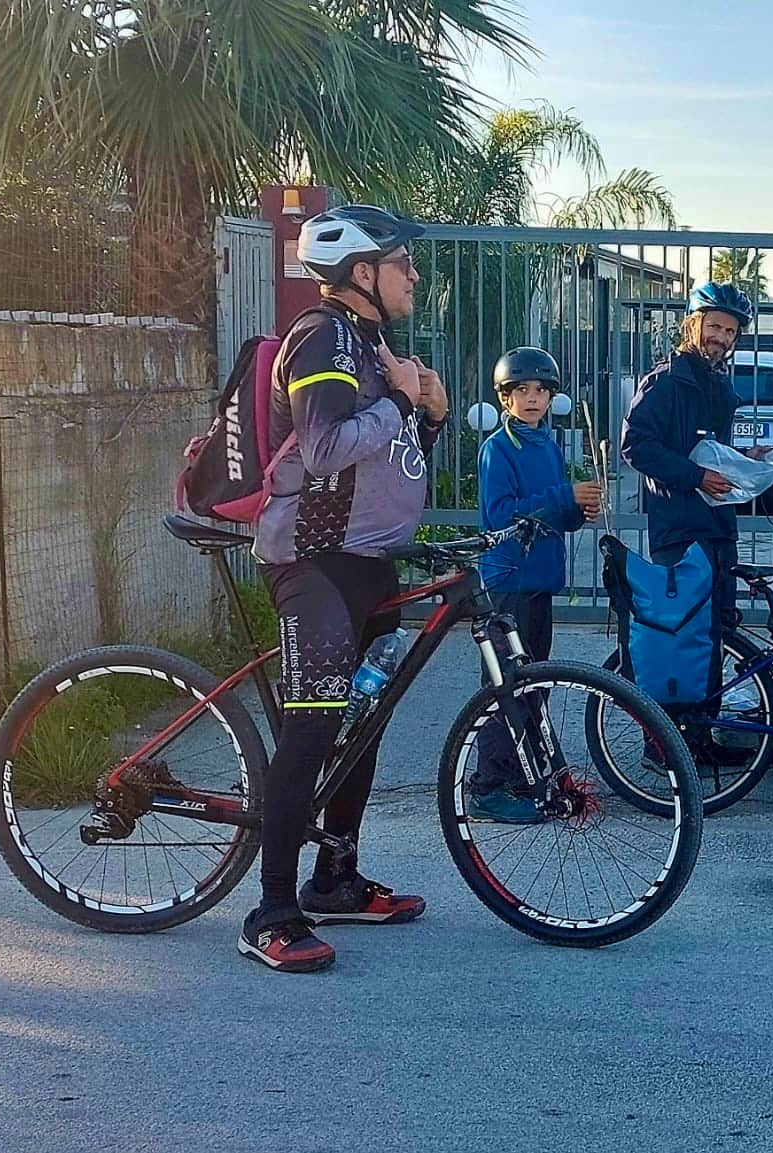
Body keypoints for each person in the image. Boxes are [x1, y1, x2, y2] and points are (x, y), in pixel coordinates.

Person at [243, 204, 448, 972]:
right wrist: (401, 400)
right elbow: (326, 448)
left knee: (364, 719)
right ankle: (270, 908)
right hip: (312, 560)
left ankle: (335, 878)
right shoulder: (322, 336)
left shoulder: (371, 341)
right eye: (403, 263)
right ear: (362, 272)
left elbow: (388, 458)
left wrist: (430, 415)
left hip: (367, 559)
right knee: (314, 724)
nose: (415, 276)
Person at [468, 346, 605, 823]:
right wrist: (564, 496)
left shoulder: (546, 444)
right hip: (509, 580)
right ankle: (488, 784)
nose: (532, 398)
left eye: (541, 390)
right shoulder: (498, 449)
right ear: (505, 397)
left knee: (534, 684)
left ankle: (526, 774)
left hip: (541, 579)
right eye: (521, 390)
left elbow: (551, 517)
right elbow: (503, 515)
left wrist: (577, 510)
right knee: (505, 684)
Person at [618, 281, 756, 731]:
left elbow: (711, 450)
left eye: (730, 331)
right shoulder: (664, 383)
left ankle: (700, 733)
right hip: (679, 529)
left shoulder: (720, 385)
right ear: (693, 324)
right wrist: (695, 476)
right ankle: (664, 745)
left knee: (712, 634)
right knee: (678, 638)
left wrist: (744, 462)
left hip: (717, 526)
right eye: (714, 326)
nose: (721, 337)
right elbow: (635, 445)